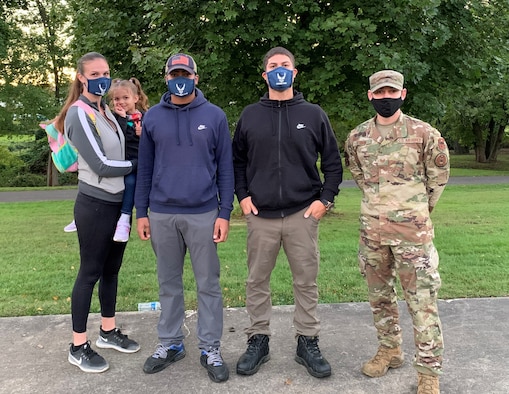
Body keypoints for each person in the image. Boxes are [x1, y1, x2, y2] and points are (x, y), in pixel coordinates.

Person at [232, 46, 343, 379]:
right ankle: (258, 340)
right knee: (256, 281)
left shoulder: (313, 114)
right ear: (264, 75)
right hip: (260, 215)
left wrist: (324, 201)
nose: (279, 70)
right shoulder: (250, 115)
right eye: (272, 66)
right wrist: (242, 196)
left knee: (306, 282)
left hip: (302, 214)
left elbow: (334, 165)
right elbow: (237, 161)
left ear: (294, 73)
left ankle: (307, 341)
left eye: (285, 65)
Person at [344, 70, 450, 394]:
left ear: (402, 95)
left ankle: (428, 373)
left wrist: (415, 211)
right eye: (380, 92)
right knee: (380, 298)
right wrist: (382, 207)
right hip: (372, 233)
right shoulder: (357, 137)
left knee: (422, 302)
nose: (386, 97)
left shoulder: (424, 134)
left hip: (412, 237)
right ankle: (390, 350)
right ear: (370, 96)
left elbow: (438, 177)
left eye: (392, 92)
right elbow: (359, 174)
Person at [135, 53, 234, 383]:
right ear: (166, 78)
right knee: (168, 283)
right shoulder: (152, 118)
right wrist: (141, 213)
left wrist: (224, 213)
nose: (180, 78)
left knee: (208, 283)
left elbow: (226, 169)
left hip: (203, 212)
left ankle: (210, 348)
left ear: (195, 77)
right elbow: (144, 169)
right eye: (174, 74)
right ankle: (171, 343)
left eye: (185, 73)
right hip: (161, 213)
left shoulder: (215, 116)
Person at [56, 52, 140, 373]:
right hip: (94, 205)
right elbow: (102, 165)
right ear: (81, 77)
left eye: (105, 71)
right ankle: (78, 346)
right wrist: (139, 166)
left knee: (112, 271)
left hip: (118, 205)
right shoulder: (79, 114)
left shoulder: (104, 108)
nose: (101, 78)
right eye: (94, 73)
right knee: (89, 273)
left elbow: (124, 144)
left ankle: (107, 330)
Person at [109, 78, 149, 242]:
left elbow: (156, 140)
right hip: (125, 162)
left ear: (136, 98)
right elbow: (118, 138)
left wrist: (143, 135)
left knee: (137, 185)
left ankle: (130, 217)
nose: (121, 102)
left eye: (125, 98)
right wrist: (122, 119)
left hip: (143, 162)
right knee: (128, 183)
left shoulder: (146, 117)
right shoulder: (114, 118)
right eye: (117, 99)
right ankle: (124, 218)